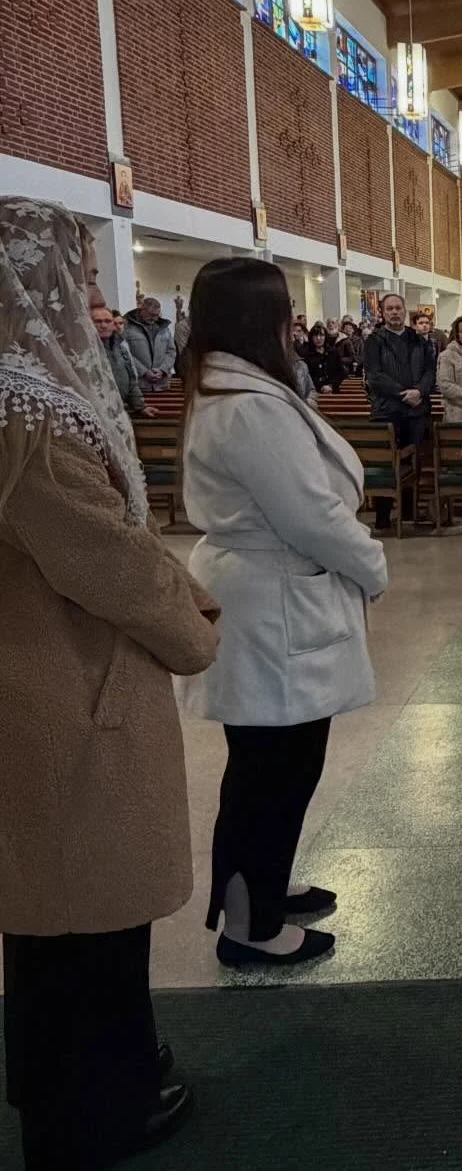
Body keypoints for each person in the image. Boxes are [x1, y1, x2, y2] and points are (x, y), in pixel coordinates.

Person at [0, 198, 219, 1168]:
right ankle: (87, 1108)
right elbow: (103, 556)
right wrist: (190, 619)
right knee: (75, 921)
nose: (94, 297)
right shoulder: (25, 418)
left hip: (60, 677)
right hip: (62, 689)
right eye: (77, 276)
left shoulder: (29, 399)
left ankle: (113, 1069)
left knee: (80, 917)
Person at [181, 257, 388, 970]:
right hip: (271, 603)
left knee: (280, 762)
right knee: (270, 768)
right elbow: (311, 516)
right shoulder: (247, 405)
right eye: (283, 310)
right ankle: (250, 925)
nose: (294, 323)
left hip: (270, 595)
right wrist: (371, 563)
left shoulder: (236, 389)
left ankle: (266, 884)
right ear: (257, 321)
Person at [362, 294, 436, 533]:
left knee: (413, 463)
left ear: (405, 311)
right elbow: (374, 376)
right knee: (387, 463)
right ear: (382, 313)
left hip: (416, 412)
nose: (394, 312)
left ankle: (408, 514)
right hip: (387, 411)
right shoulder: (374, 341)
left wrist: (419, 391)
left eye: (398, 308)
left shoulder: (420, 340)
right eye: (389, 309)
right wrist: (403, 393)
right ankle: (383, 516)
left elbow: (430, 372)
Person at [92, 303, 155, 416]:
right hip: (96, 412)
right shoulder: (83, 348)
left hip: (117, 410)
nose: (104, 325)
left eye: (108, 321)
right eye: (98, 321)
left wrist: (140, 407)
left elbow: (131, 380)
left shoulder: (120, 346)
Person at [122, 296, 177, 392]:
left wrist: (162, 370)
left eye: (157, 315)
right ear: (142, 310)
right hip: (139, 385)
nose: (154, 319)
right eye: (151, 315)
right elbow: (125, 352)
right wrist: (144, 371)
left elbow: (171, 351)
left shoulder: (164, 328)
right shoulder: (127, 327)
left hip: (161, 384)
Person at [300, 323, 344, 395]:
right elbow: (305, 375)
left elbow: (341, 372)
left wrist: (331, 385)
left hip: (332, 391)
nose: (318, 338)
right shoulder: (306, 354)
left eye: (321, 335)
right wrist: (320, 387)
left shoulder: (333, 352)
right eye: (315, 335)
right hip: (313, 392)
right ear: (311, 337)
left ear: (326, 337)